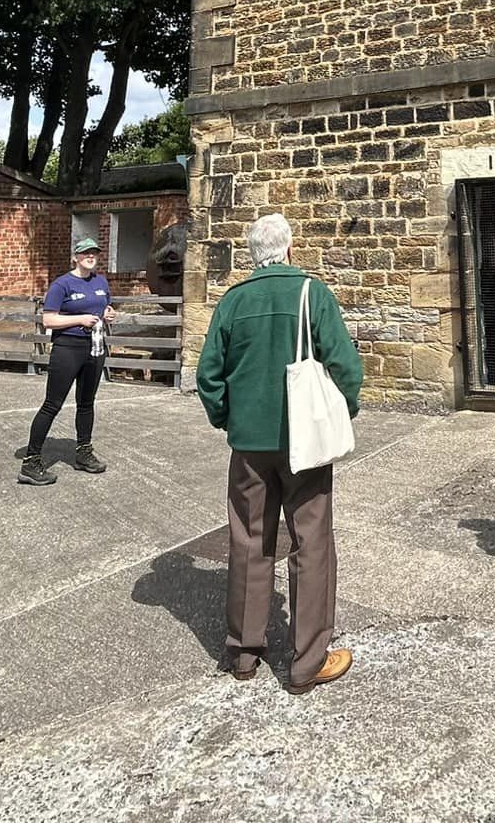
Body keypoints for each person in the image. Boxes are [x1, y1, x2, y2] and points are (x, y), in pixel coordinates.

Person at [195, 212, 362, 692]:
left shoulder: (233, 301)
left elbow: (209, 376)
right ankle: (307, 661)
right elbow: (346, 367)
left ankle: (244, 653)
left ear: (253, 255)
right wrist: (341, 410)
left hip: (249, 445)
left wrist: (229, 418)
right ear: (290, 249)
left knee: (249, 541)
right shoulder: (313, 293)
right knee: (311, 543)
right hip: (303, 444)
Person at [16, 236, 113, 482]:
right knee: (52, 404)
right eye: (85, 253)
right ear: (75, 257)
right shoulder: (62, 285)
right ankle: (31, 462)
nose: (90, 257)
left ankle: (83, 453)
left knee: (86, 403)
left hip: (95, 348)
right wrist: (79, 319)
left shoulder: (101, 282)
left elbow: (103, 308)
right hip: (68, 348)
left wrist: (108, 314)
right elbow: (48, 320)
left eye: (94, 253)